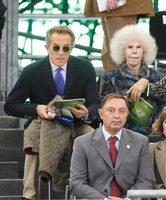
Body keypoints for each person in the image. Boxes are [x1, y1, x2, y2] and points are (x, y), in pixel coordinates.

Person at [4, 25, 100, 200]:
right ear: (47, 47)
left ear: (72, 47)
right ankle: (29, 194)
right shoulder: (32, 71)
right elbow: (10, 105)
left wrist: (86, 112)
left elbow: (95, 103)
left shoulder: (85, 68)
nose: (61, 53)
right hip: (43, 123)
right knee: (33, 142)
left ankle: (91, 192)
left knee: (95, 138)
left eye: (66, 48)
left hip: (76, 124)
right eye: (56, 47)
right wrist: (36, 108)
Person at [70, 93, 155, 199]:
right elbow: (76, 183)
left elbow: (146, 180)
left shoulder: (141, 142)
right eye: (111, 110)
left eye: (122, 111)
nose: (117, 115)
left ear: (127, 115)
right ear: (101, 113)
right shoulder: (82, 143)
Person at [99, 24, 165, 136]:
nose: (134, 51)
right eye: (130, 47)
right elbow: (103, 110)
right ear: (122, 51)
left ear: (144, 51)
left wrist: (157, 124)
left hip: (151, 134)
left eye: (138, 47)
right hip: (120, 134)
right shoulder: (109, 77)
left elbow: (163, 108)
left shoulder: (157, 77)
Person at [84, 0, 154, 72]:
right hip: (111, 7)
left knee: (123, 55)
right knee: (109, 56)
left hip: (121, 7)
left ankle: (127, 83)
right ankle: (112, 83)